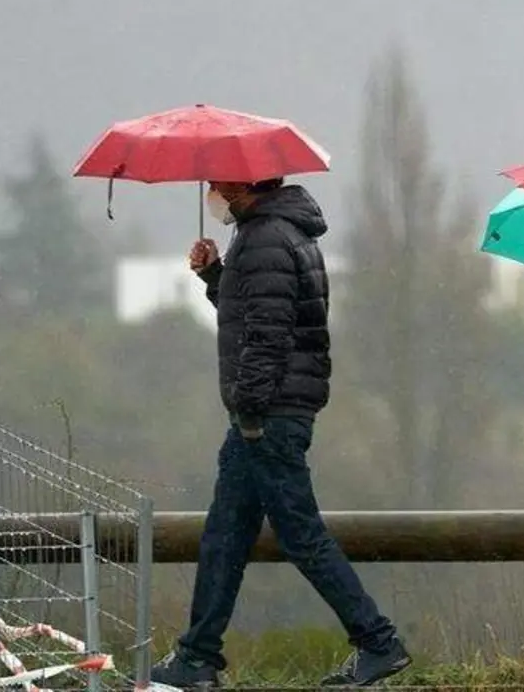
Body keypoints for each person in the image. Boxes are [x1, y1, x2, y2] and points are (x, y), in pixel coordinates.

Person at [150, 178, 411, 689]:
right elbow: (255, 313)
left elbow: (267, 335)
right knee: (225, 536)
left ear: (246, 186)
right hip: (271, 413)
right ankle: (197, 656)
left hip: (265, 417)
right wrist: (214, 274)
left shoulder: (266, 236)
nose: (214, 193)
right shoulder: (278, 232)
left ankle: (379, 642)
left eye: (220, 185)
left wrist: (248, 410)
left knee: (300, 534)